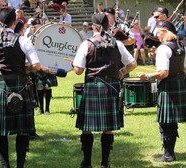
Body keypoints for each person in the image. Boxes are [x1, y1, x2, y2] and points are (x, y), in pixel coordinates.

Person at [0, 8, 42, 168]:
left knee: (1, 130)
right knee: (22, 129)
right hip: (19, 86)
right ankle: (20, 165)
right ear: (15, 22)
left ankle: (6, 165)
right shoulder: (23, 41)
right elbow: (37, 66)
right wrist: (27, 68)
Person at [72, 14, 137, 168]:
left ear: (93, 27)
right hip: (111, 86)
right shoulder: (118, 44)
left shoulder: (86, 44)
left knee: (86, 126)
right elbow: (133, 63)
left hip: (94, 85)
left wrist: (74, 65)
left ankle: (87, 163)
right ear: (108, 26)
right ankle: (104, 163)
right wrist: (121, 71)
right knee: (108, 127)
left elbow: (79, 71)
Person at [137, 20, 186, 162]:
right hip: (181, 84)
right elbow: (184, 68)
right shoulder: (180, 46)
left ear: (165, 32)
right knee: (173, 120)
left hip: (168, 86)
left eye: (158, 32)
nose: (157, 36)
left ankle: (168, 154)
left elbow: (163, 72)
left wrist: (148, 76)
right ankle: (169, 153)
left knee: (165, 121)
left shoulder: (164, 48)